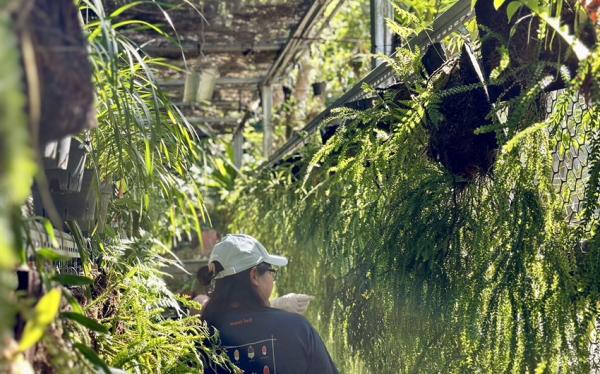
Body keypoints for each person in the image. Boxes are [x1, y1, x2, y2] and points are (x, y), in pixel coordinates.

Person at [199, 234, 338, 374]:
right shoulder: (298, 328)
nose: (273, 279)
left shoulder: (199, 336)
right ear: (254, 276)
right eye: (271, 271)